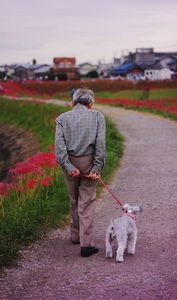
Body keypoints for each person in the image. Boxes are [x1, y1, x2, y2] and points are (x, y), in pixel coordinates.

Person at [55, 88, 106, 257]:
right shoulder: (98, 116)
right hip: (89, 162)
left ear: (73, 103)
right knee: (87, 201)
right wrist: (97, 167)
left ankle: (75, 236)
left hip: (70, 162)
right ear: (90, 104)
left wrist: (69, 167)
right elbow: (100, 144)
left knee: (74, 199)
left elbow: (59, 148)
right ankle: (86, 244)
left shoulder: (62, 118)